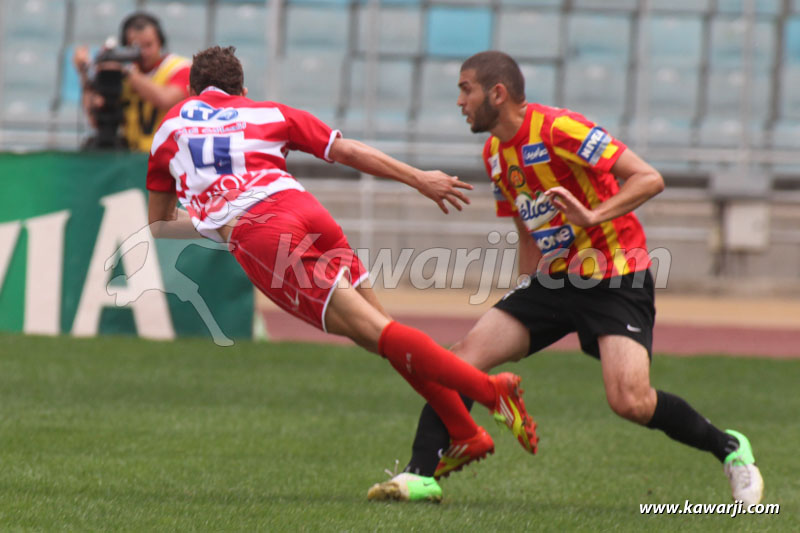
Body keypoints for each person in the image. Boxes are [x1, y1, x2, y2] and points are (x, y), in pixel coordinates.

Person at [367, 50, 764, 505]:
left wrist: (592, 215)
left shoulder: (560, 129)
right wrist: (521, 288)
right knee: (462, 358)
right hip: (554, 281)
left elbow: (649, 178)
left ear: (497, 93)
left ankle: (730, 449)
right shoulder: (495, 153)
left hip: (616, 274)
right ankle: (420, 474)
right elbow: (525, 224)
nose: (459, 101)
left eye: (466, 89)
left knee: (630, 401)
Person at [145, 46, 539, 501]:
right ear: (242, 91)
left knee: (379, 333)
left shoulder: (170, 128)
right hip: (306, 211)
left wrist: (217, 221)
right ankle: (464, 431)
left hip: (264, 236)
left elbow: (159, 223)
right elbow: (346, 150)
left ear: (193, 91)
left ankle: (490, 391)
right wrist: (419, 178)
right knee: (382, 335)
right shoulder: (268, 111)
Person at [73, 12, 190, 151]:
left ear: (161, 42)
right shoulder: (123, 73)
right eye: (136, 47)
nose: (144, 52)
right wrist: (86, 74)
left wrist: (126, 71)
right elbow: (95, 120)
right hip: (132, 157)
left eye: (149, 45)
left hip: (167, 156)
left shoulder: (178, 68)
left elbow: (166, 99)